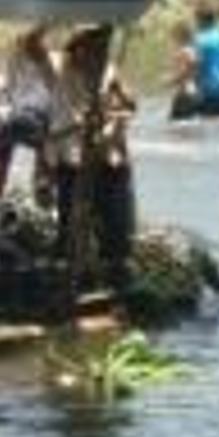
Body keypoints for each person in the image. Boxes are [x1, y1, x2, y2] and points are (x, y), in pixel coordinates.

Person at [44, 26, 138, 289]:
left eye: (100, 47)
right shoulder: (64, 74)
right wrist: (93, 119)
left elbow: (130, 104)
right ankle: (76, 279)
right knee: (73, 224)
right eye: (91, 46)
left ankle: (114, 278)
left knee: (117, 227)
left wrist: (117, 106)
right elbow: (70, 121)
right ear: (79, 48)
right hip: (74, 158)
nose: (96, 52)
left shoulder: (108, 72)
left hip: (108, 158)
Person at [0, 22, 55, 198]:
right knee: (46, 153)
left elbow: (9, 87)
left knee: (3, 157)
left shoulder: (15, 56)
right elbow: (53, 85)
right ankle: (41, 191)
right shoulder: (39, 58)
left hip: (14, 114)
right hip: (34, 117)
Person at [166, 21, 202, 121]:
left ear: (180, 36)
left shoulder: (184, 52)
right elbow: (195, 73)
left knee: (176, 127)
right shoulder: (194, 51)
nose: (173, 39)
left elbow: (184, 73)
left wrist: (170, 81)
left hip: (183, 94)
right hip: (193, 92)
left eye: (174, 36)